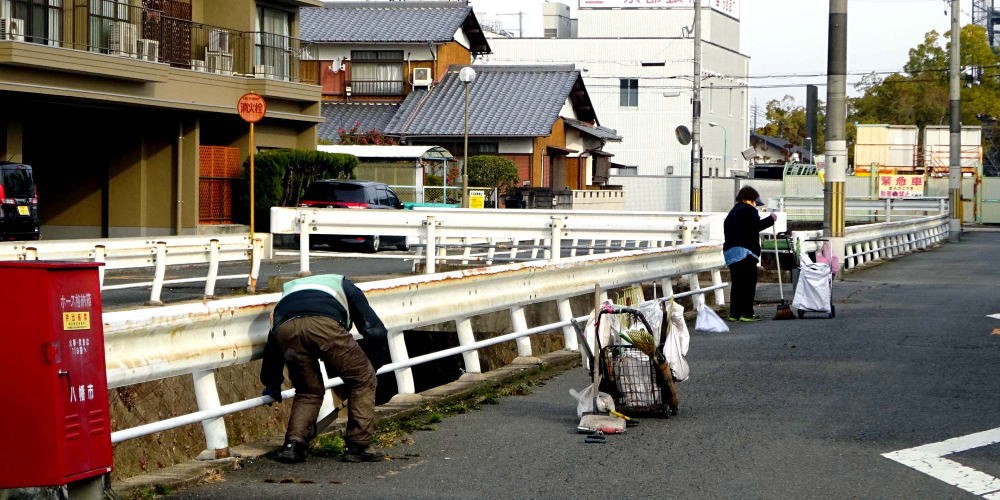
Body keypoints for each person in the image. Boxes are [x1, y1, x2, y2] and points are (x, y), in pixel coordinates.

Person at [260, 274, 390, 464]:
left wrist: (272, 382)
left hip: (285, 330)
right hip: (325, 325)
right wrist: (374, 365)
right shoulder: (345, 285)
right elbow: (374, 330)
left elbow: (273, 344)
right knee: (362, 380)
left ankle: (293, 446)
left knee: (308, 390)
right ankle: (358, 446)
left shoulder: (289, 291)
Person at [723, 186, 777, 322]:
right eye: (755, 203)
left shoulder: (732, 212)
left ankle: (734, 313)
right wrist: (771, 219)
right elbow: (755, 226)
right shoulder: (750, 210)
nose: (756, 206)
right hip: (745, 253)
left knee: (737, 284)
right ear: (752, 200)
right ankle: (747, 313)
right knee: (748, 284)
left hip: (730, 253)